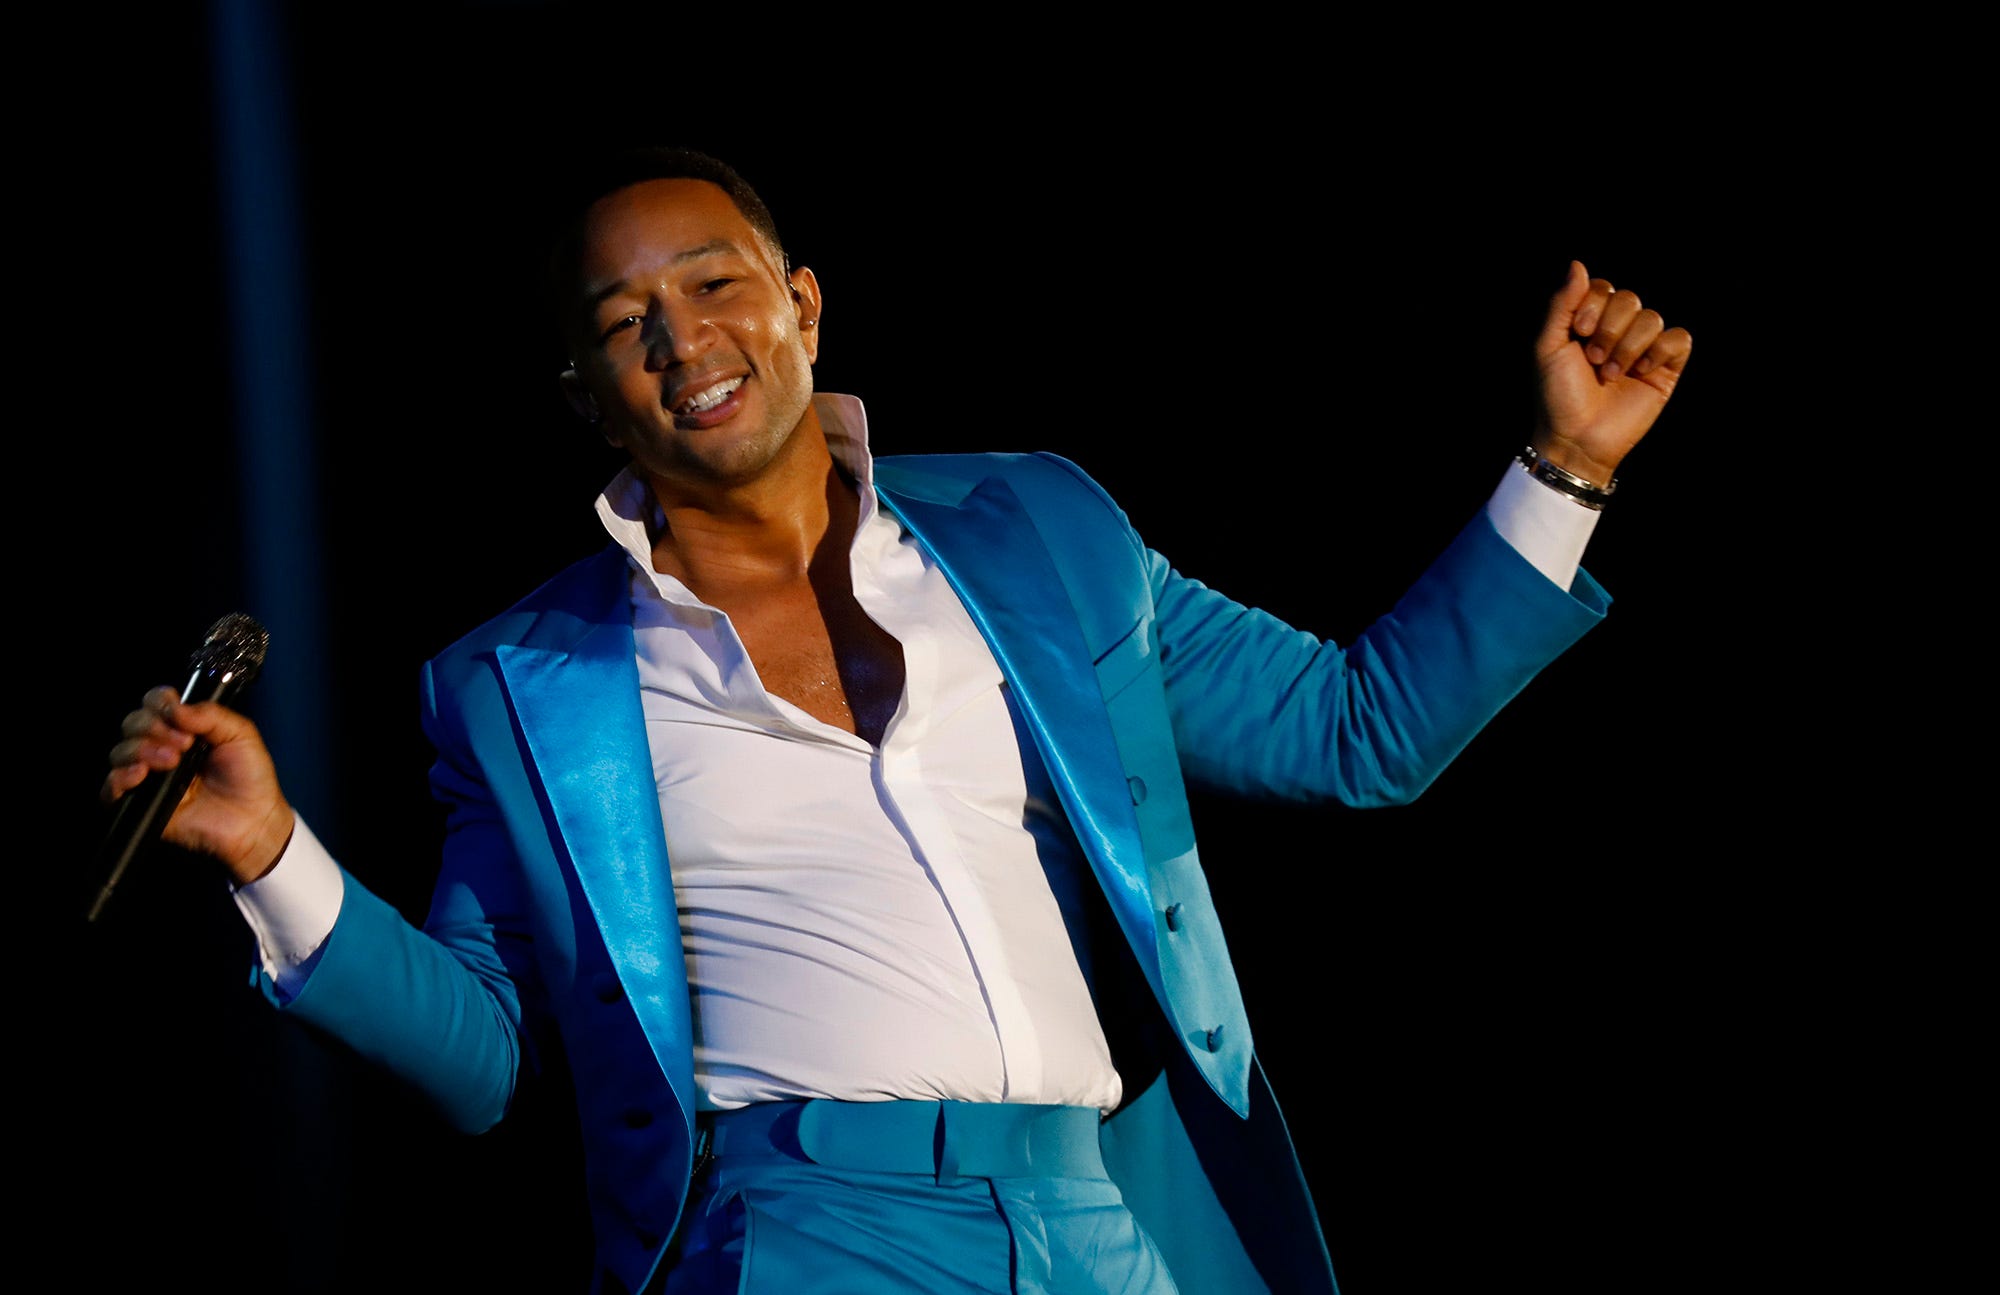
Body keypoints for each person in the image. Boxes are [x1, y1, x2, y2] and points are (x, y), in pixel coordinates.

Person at [101, 146, 1692, 1294]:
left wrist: (1566, 471)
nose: (682, 339)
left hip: (1102, 1221)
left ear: (801, 305)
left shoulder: (1044, 531)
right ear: (588, 396)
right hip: (803, 1234)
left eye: (713, 283)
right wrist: (274, 855)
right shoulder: (523, 682)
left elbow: (1354, 732)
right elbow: (486, 1053)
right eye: (623, 320)